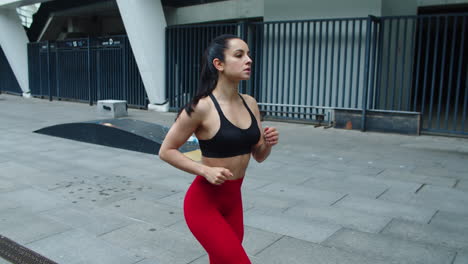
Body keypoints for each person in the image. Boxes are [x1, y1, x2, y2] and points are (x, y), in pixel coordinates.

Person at [159, 34, 279, 264]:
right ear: (219, 64)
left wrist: (268, 143)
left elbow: (259, 156)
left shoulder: (250, 103)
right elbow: (166, 150)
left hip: (234, 202)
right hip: (204, 204)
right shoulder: (201, 107)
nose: (249, 60)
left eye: (248, 54)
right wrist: (204, 170)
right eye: (239, 55)